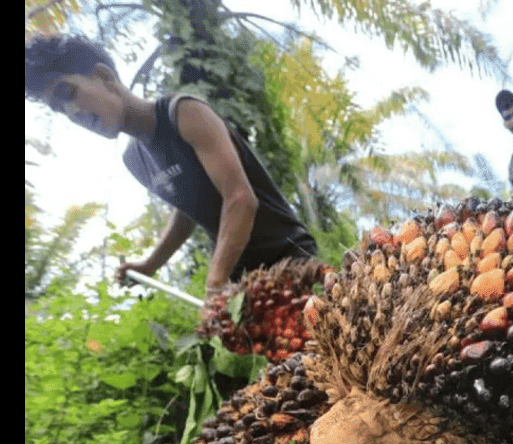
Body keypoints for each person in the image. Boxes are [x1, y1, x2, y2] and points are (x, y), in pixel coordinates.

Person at [25, 36, 317, 299]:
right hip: (248, 281)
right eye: (59, 108)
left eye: (68, 93)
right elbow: (187, 208)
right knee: (290, 360)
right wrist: (151, 264)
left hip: (290, 257)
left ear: (104, 76)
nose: (72, 113)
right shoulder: (135, 161)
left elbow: (240, 199)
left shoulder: (183, 113)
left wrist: (215, 281)